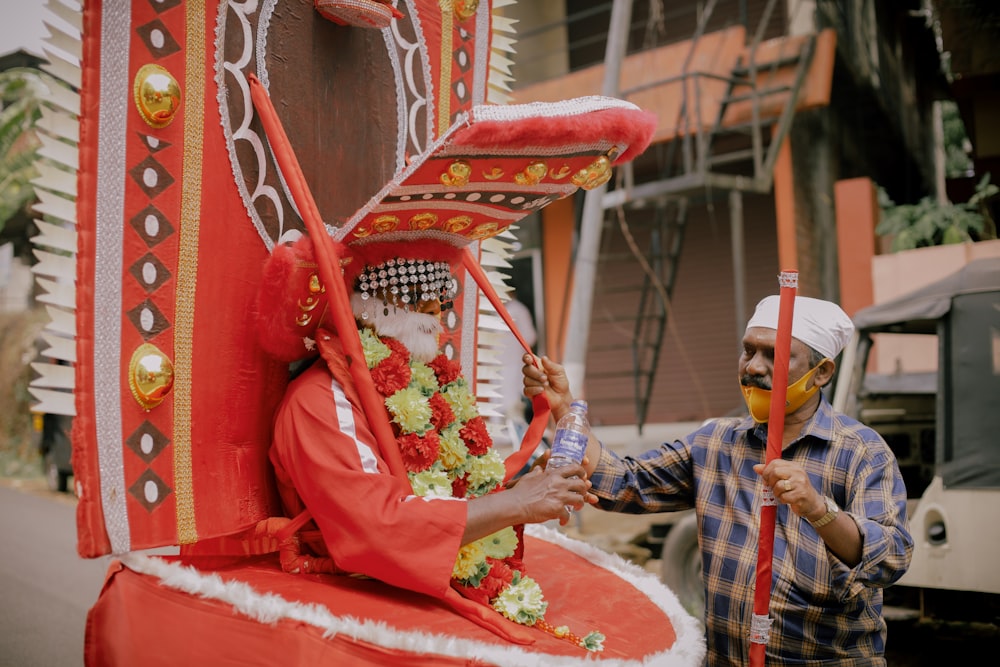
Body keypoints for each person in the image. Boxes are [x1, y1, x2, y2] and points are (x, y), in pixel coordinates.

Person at [522, 295, 914, 666]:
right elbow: (625, 481)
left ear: (822, 372)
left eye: (774, 355)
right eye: (749, 350)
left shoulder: (861, 451)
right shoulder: (715, 442)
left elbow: (891, 557)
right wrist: (564, 407)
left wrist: (819, 510)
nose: (754, 367)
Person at [263, 237, 602, 649]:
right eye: (413, 288)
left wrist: (524, 492)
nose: (435, 308)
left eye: (441, 292)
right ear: (362, 301)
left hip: (417, 583)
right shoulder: (318, 400)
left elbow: (451, 495)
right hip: (352, 609)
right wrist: (516, 503)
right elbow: (376, 528)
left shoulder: (424, 383)